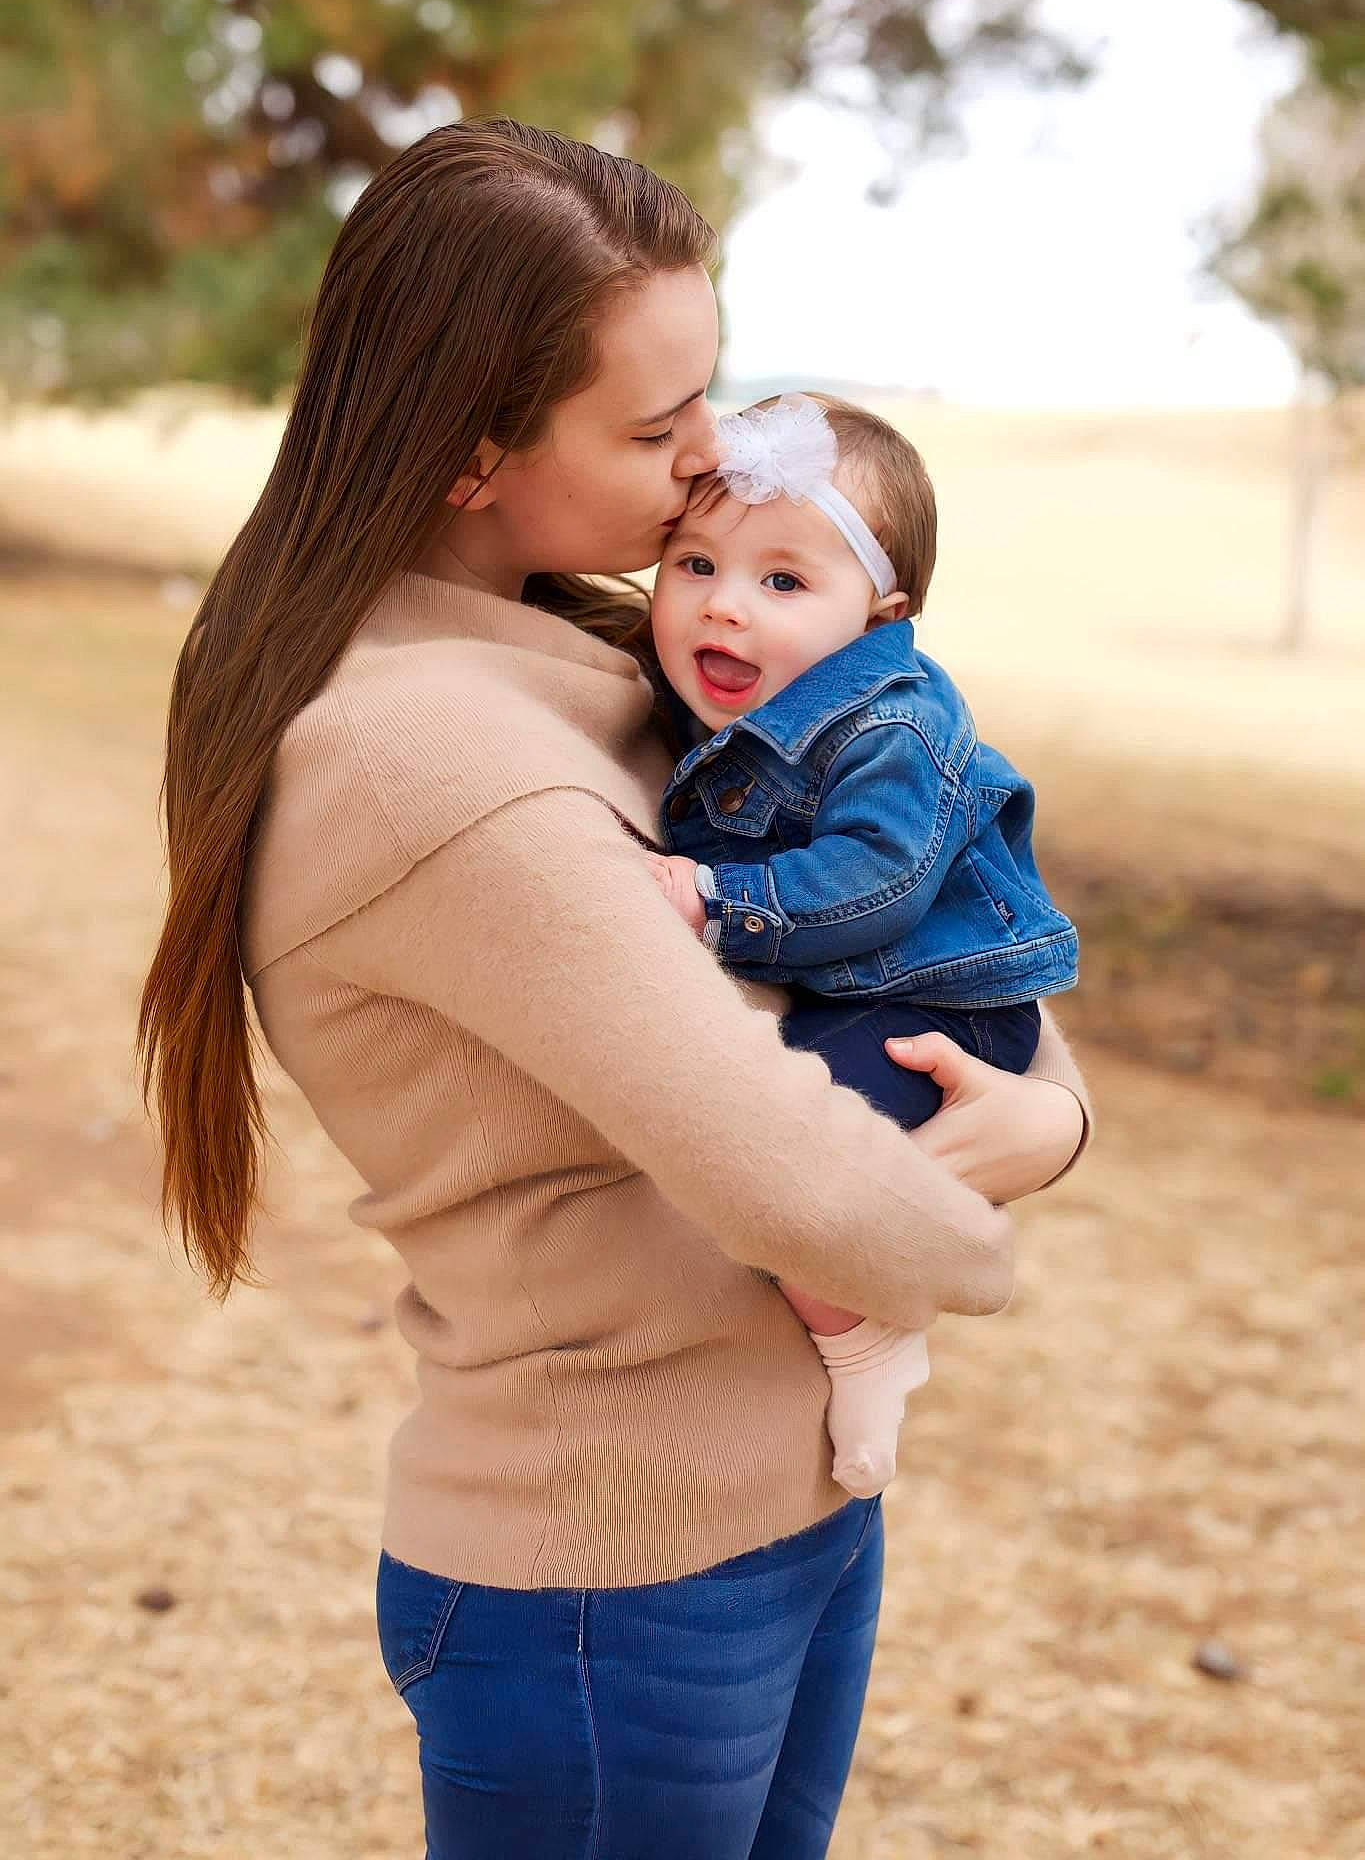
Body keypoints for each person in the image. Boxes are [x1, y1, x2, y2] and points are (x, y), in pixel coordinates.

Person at [137, 118, 1093, 1860]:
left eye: (708, 394)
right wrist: (990, 1225)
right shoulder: (434, 758)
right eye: (658, 428)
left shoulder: (592, 649)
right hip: (613, 1579)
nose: (714, 456)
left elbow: (917, 885)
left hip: (770, 1517)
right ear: (471, 455)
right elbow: (795, 1176)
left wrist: (1056, 1105)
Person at [644, 390, 1079, 1502]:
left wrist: (713, 895)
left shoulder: (895, 724)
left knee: (796, 1164)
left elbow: (877, 886)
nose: (725, 609)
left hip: (938, 1002)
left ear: (882, 617)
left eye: (783, 580)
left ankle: (865, 1340)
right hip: (861, 990)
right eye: (695, 565)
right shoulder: (722, 694)